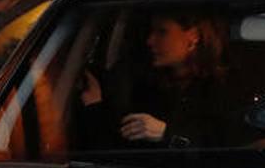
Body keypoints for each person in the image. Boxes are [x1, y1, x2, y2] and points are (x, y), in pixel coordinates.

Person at [80, 10, 233, 148]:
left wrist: (168, 134)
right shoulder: (144, 85)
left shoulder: (225, 89)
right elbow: (115, 146)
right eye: (151, 31)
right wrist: (94, 105)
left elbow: (226, 148)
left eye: (162, 32)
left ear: (193, 36)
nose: (150, 41)